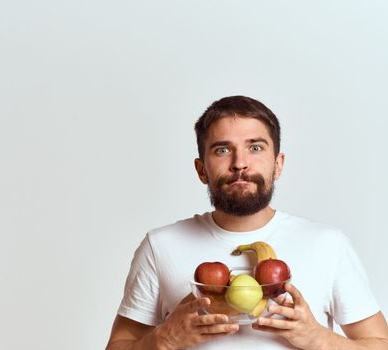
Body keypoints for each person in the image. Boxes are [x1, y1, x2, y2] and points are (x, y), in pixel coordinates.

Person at [106, 96, 388, 350]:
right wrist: (163, 340)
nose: (240, 163)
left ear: (278, 164)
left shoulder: (328, 244)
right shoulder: (160, 245)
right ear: (201, 170)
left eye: (255, 147)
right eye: (222, 150)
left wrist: (319, 338)